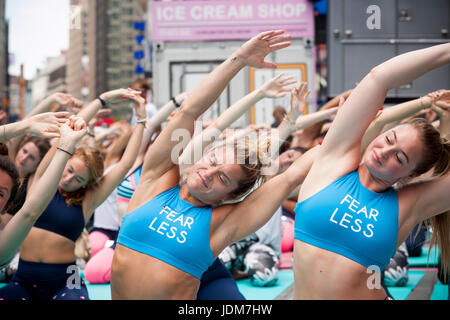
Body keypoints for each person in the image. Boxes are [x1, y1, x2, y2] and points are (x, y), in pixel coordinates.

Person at [110, 30, 323, 300]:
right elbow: (190, 111)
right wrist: (239, 59)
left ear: (231, 195)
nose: (208, 173)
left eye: (222, 178)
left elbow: (290, 177)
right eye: (211, 161)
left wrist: (360, 128)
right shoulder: (156, 181)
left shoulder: (225, 222)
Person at [293, 43, 450, 299]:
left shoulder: (409, 205)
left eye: (399, 157)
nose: (385, 151)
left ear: (410, 174)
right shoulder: (333, 163)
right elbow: (380, 77)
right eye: (389, 140)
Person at [0, 89, 146, 300]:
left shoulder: (87, 201)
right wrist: (102, 99)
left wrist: (141, 120)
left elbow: (125, 164)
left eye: (78, 179)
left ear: (86, 184)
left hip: (66, 279)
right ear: (64, 162)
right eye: (69, 171)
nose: (68, 179)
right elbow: (72, 129)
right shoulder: (41, 179)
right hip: (24, 277)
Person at [0, 115, 85, 270]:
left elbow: (31, 211)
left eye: (1, 194)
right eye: (24, 151)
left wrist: (66, 146)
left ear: (6, 207)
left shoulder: (2, 247)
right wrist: (27, 125)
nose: (24, 158)